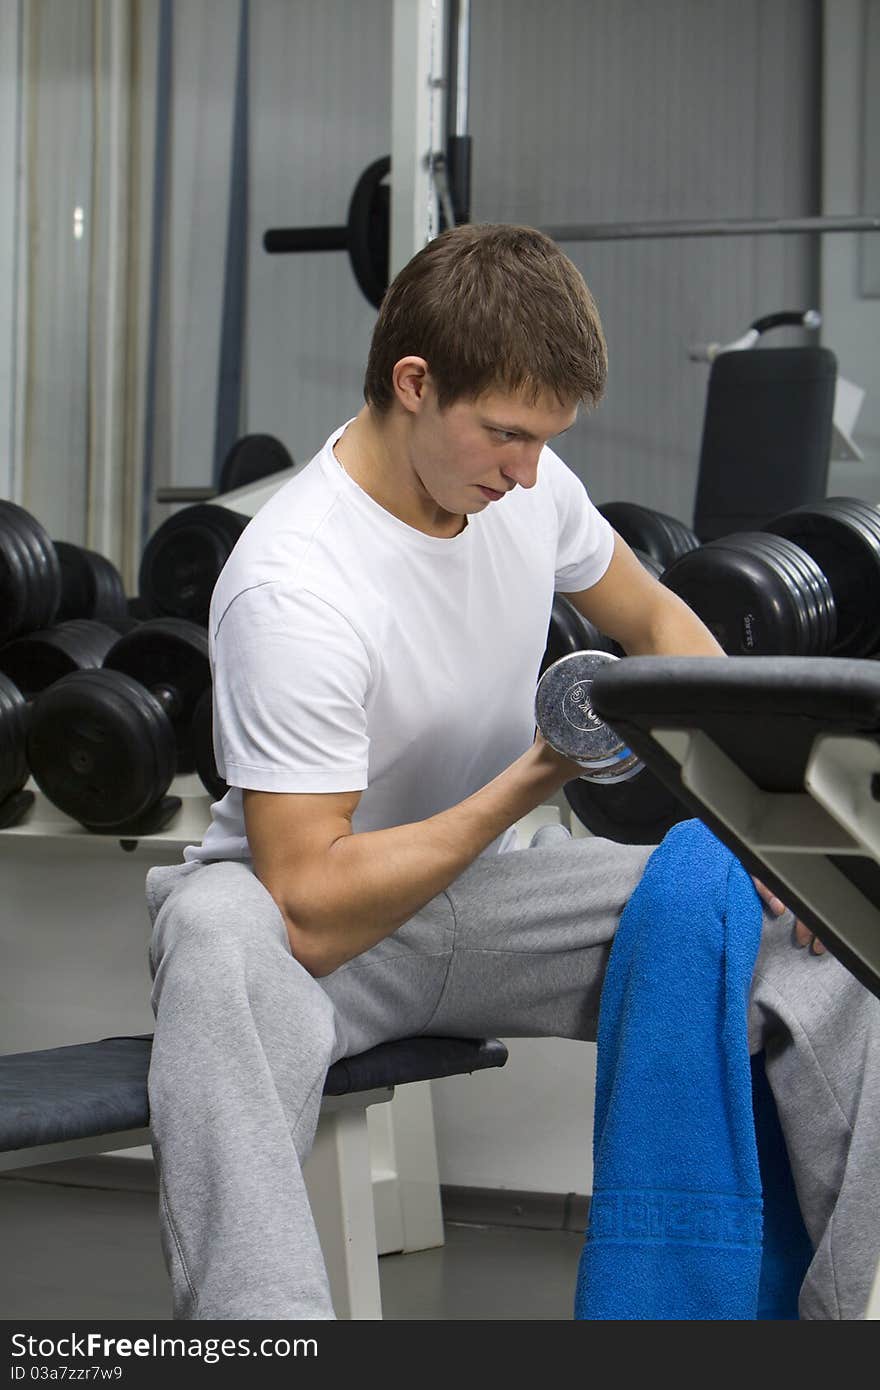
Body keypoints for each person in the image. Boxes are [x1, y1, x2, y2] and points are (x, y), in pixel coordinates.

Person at [145, 223, 880, 1321]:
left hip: (488, 900)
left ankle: (850, 1311)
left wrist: (768, 839)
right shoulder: (295, 581)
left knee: (814, 924)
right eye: (503, 434)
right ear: (413, 383)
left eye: (545, 438)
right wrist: (533, 778)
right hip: (315, 932)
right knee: (214, 935)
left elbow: (656, 616)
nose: (527, 469)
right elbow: (310, 909)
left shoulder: (526, 484)